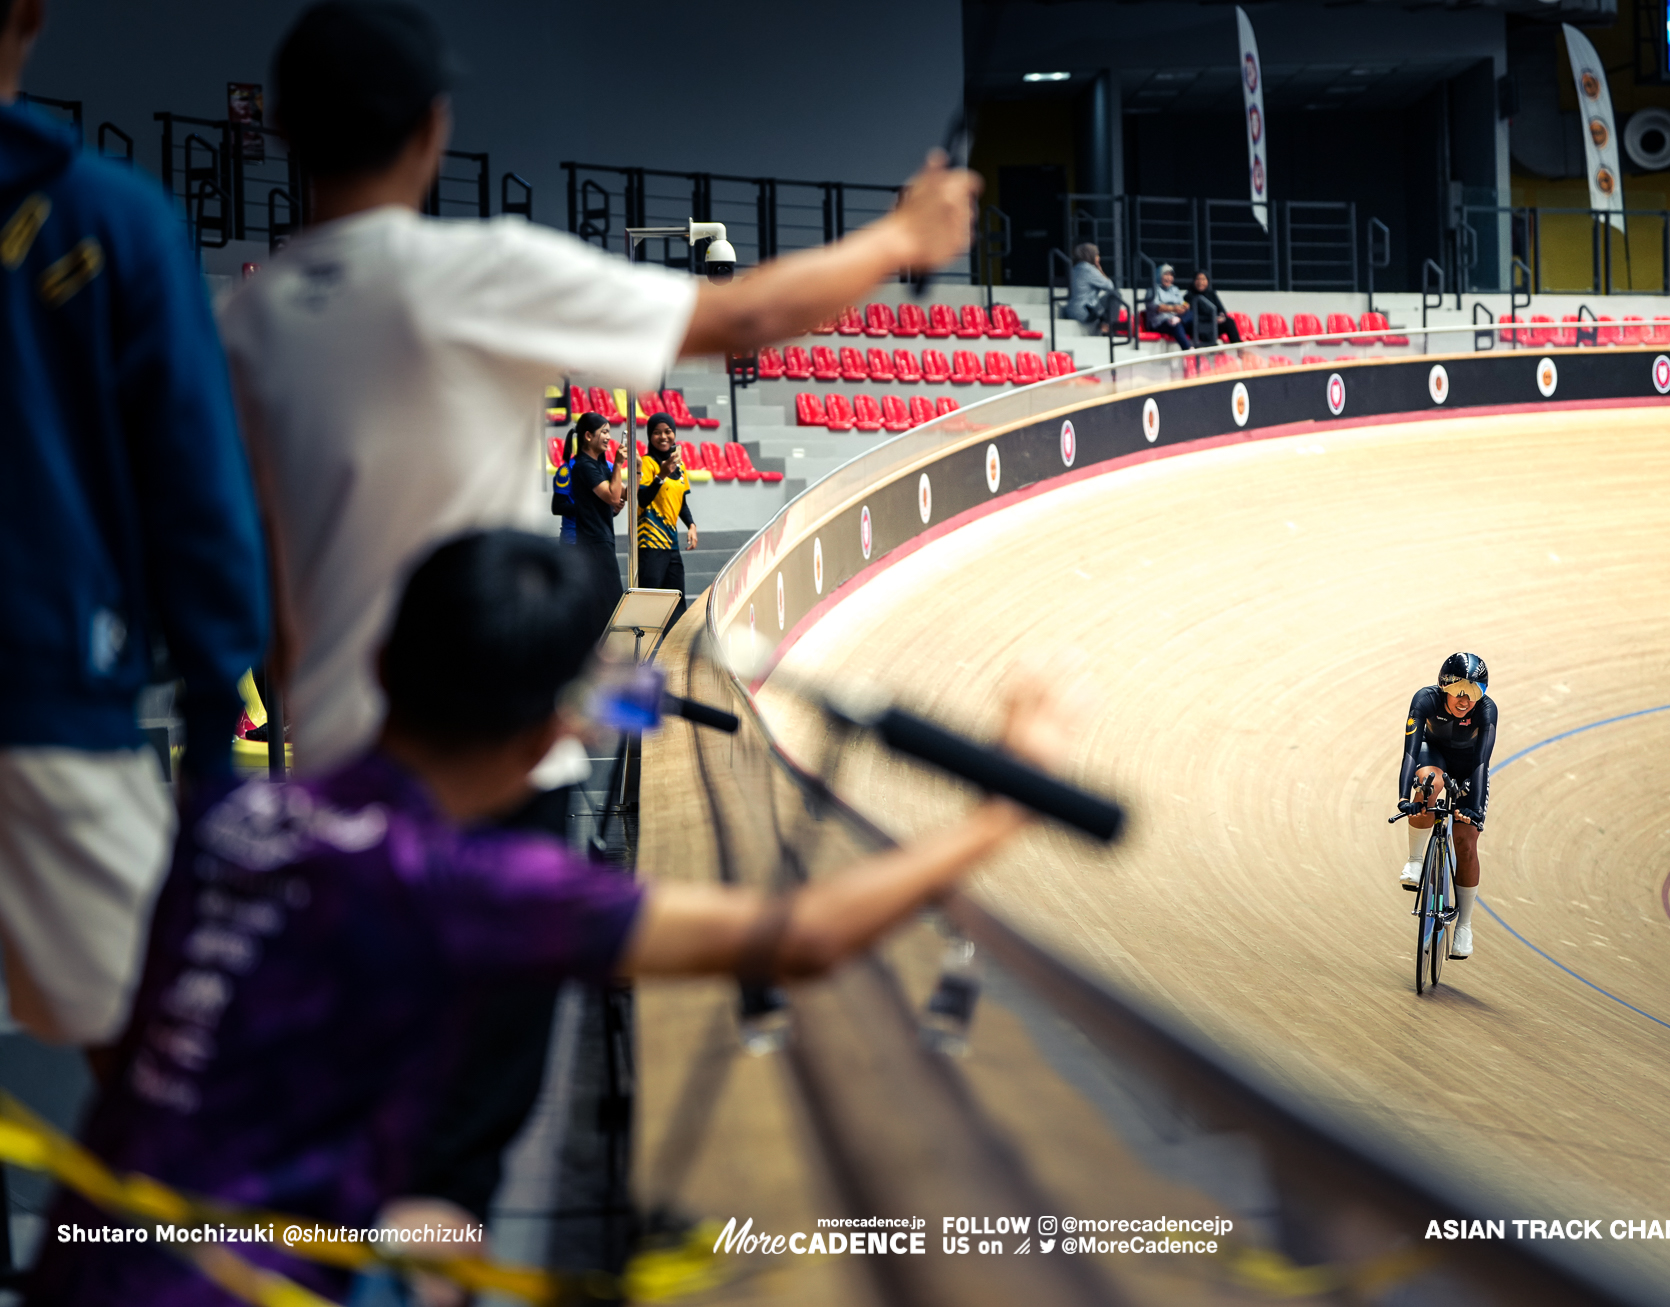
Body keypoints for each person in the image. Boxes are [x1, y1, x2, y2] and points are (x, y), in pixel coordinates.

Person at [221, 0, 979, 1239]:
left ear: (285, 132)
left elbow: (249, 585)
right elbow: (734, 321)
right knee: (455, 1156)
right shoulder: (472, 272)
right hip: (492, 760)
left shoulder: (243, 323)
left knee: (348, 1123)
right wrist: (902, 233)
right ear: (433, 127)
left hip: (336, 784)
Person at [24, 530, 1076, 1306]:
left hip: (82, 1262)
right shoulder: (470, 883)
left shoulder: (230, 813)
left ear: (383, 664)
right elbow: (802, 936)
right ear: (543, 742)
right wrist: (1001, 807)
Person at [0, 0, 268, 1050]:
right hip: (48, 705)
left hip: (57, 697)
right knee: (168, 1083)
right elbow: (198, 495)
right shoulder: (112, 220)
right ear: (32, 11)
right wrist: (210, 739)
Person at [1395, 653, 1495, 959]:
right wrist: (1403, 798)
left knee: (1465, 842)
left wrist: (1474, 808)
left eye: (1474, 691)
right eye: (1459, 691)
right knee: (1429, 784)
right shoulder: (1425, 700)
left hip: (1468, 768)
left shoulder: (1487, 711)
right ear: (1444, 687)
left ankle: (1464, 925)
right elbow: (1410, 753)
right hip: (1433, 755)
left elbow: (1482, 762)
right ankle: (1415, 860)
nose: (1465, 700)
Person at [567, 411, 626, 634]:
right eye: (604, 432)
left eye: (609, 432)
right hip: (593, 541)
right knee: (611, 602)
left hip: (604, 538)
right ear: (588, 436)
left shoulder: (600, 465)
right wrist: (619, 466)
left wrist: (637, 469)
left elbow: (624, 495)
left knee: (608, 602)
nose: (609, 437)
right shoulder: (584, 465)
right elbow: (612, 496)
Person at [637, 414, 694, 605]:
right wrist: (661, 475)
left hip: (671, 544)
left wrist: (691, 525)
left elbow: (682, 503)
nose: (663, 437)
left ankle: (674, 637)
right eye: (656, 432)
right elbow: (642, 499)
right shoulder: (647, 463)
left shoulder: (680, 466)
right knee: (650, 603)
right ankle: (643, 637)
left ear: (674, 433)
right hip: (650, 543)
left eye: (668, 431)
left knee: (676, 603)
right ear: (649, 436)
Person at [1065, 242, 1121, 335]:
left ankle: (1105, 326)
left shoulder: (1075, 268)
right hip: (1083, 311)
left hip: (1071, 310)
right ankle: (1108, 329)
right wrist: (1099, 268)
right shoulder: (1088, 269)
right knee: (1115, 295)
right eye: (1096, 254)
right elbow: (1110, 286)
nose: (1098, 257)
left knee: (1101, 306)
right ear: (1090, 255)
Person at [1146, 263, 1195, 351]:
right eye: (1166, 274)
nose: (1169, 278)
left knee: (1193, 314)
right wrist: (1173, 308)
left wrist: (1185, 306)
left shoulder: (1174, 289)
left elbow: (1181, 302)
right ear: (1159, 275)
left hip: (1176, 317)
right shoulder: (1153, 290)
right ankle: (1188, 349)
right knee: (1175, 325)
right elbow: (1156, 307)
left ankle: (1205, 348)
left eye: (1171, 275)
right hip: (1160, 322)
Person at [1190, 271, 1241, 345]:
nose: (1201, 282)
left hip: (1214, 324)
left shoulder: (1212, 294)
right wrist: (1212, 318)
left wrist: (1221, 316)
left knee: (1229, 322)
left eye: (1203, 279)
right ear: (1194, 281)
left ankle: (1239, 348)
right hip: (1200, 327)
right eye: (1198, 279)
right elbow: (1192, 316)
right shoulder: (1189, 296)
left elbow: (1222, 309)